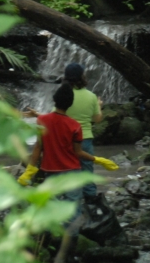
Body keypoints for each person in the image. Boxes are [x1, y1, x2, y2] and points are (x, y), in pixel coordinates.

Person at [17, 83, 118, 216]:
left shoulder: (42, 120)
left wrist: (30, 171)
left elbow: (38, 147)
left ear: (54, 100)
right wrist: (98, 160)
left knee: (53, 205)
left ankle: (55, 233)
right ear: (70, 104)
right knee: (73, 208)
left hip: (50, 172)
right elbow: (78, 152)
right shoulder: (75, 126)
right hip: (72, 172)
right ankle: (72, 234)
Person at [63, 63, 104, 200]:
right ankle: (91, 202)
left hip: (66, 140)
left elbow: (54, 117)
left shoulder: (63, 95)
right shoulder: (91, 96)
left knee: (68, 171)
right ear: (82, 77)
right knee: (87, 171)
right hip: (85, 139)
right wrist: (99, 106)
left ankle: (71, 203)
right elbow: (97, 119)